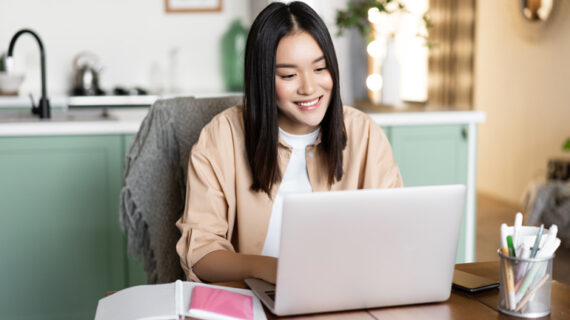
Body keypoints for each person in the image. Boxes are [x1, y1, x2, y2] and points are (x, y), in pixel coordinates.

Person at [176, 1, 402, 284]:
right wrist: (272, 269)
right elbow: (200, 254)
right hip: (254, 300)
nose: (309, 87)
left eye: (320, 69)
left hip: (347, 296)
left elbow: (393, 236)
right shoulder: (221, 137)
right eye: (289, 75)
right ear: (262, 80)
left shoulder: (364, 133)